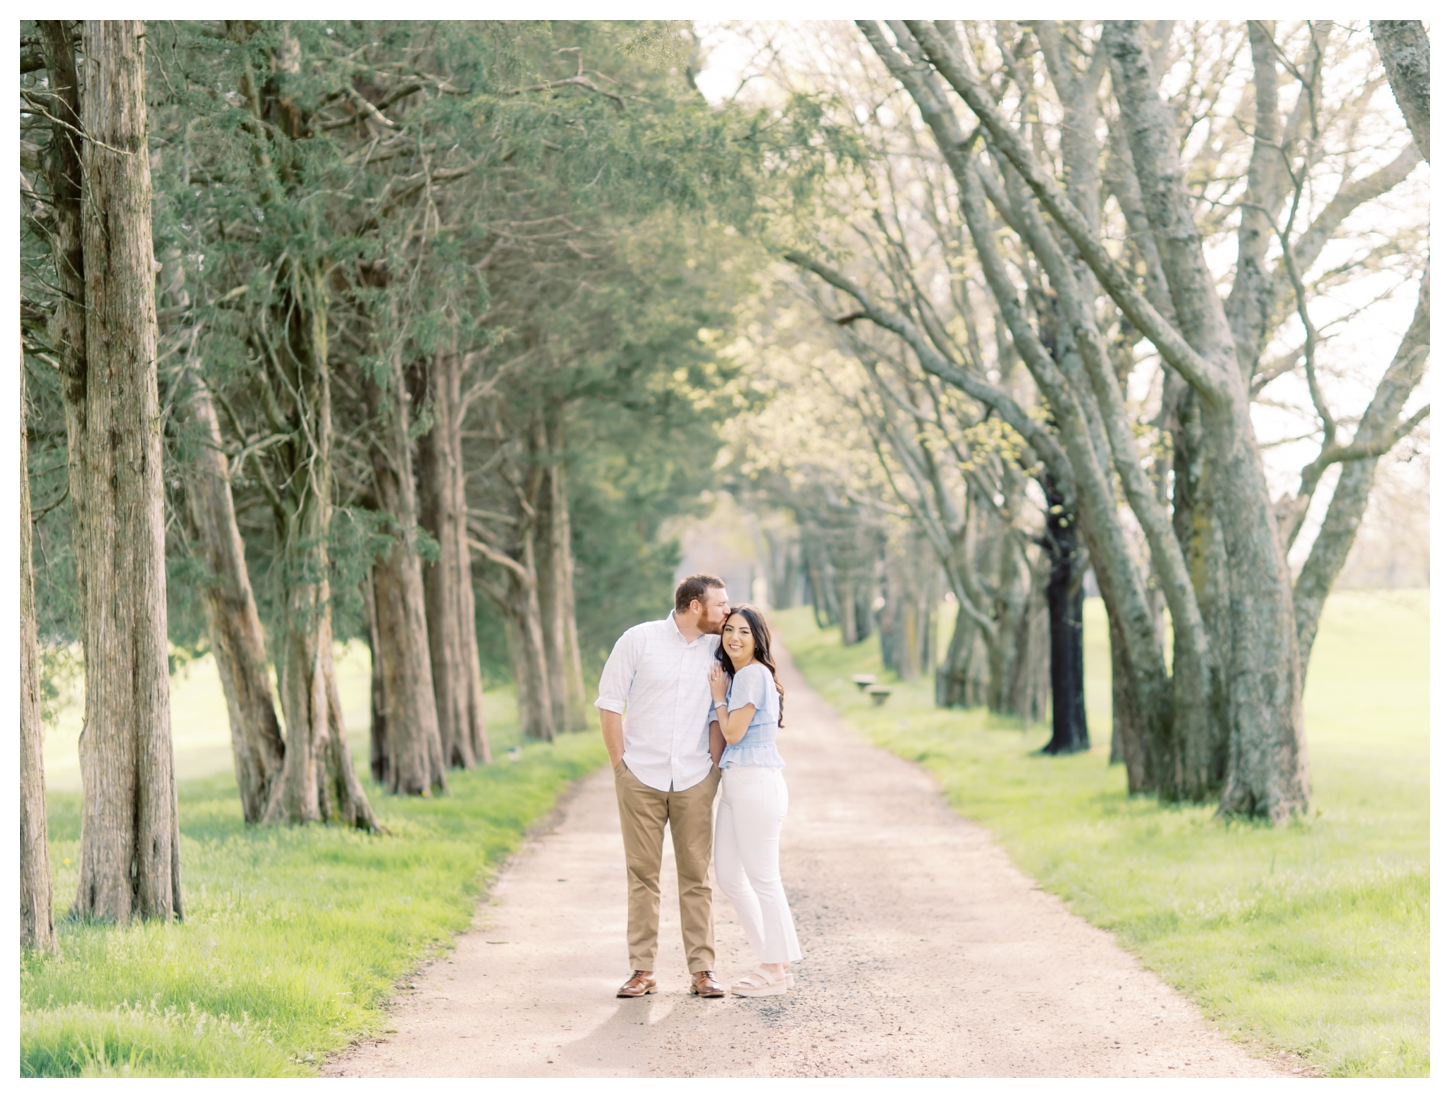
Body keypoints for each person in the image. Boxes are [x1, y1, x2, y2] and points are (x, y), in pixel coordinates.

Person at [595, 573, 732, 999]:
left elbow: (720, 710)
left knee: (696, 876)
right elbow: (609, 703)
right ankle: (642, 970)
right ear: (695, 606)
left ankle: (702, 970)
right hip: (640, 776)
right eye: (720, 605)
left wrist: (713, 767)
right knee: (642, 875)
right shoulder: (638, 641)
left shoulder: (719, 649)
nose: (727, 612)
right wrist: (621, 767)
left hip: (695, 777)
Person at [707, 604, 802, 996]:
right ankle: (772, 960)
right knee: (729, 876)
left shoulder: (750, 675)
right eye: (729, 630)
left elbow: (732, 733)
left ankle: (774, 971)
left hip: (756, 784)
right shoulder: (743, 676)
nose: (734, 637)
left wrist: (717, 697)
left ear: (758, 638)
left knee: (763, 878)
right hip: (737, 785)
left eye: (744, 631)